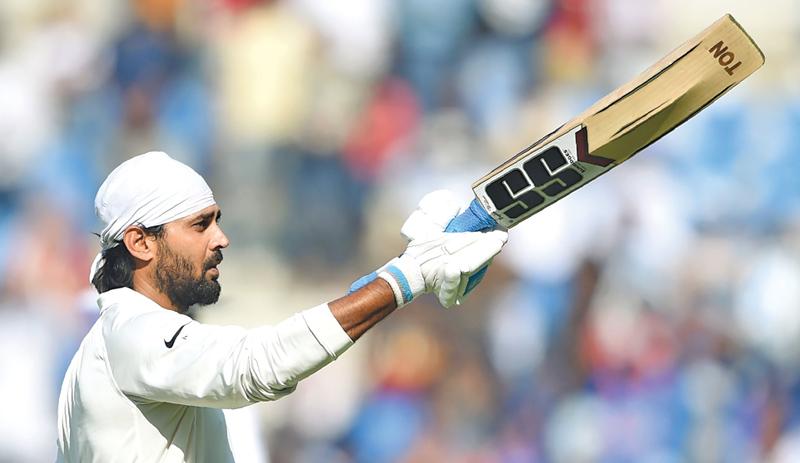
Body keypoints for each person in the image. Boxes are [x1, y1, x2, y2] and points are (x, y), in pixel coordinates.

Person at [56, 151, 508, 462]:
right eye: (199, 225)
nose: (221, 238)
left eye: (217, 221)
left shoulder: (114, 344)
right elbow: (261, 364)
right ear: (140, 242)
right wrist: (406, 279)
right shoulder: (131, 332)